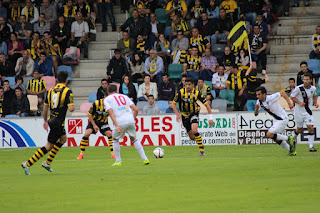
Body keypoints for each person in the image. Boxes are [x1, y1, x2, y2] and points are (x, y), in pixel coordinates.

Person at [21, 71, 74, 175]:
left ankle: (48, 162)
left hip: (51, 120)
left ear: (57, 80)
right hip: (58, 122)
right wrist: (71, 106)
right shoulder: (67, 91)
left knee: (63, 139)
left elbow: (45, 107)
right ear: (66, 80)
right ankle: (27, 164)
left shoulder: (51, 91)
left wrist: (45, 120)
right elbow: (71, 109)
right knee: (49, 146)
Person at [104, 84, 150, 166]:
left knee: (114, 139)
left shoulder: (107, 99)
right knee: (134, 138)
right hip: (130, 119)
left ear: (108, 91)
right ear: (117, 90)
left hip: (120, 120)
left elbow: (110, 112)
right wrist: (133, 119)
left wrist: (116, 125)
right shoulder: (124, 96)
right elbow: (136, 109)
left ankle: (118, 161)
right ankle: (145, 158)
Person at [172, 77, 213, 156]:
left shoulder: (197, 93)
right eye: (186, 84)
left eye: (189, 85)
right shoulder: (181, 92)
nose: (187, 86)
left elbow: (207, 105)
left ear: (193, 85)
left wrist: (210, 118)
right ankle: (199, 140)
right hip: (184, 115)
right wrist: (177, 114)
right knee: (191, 137)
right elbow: (173, 103)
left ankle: (201, 150)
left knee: (194, 130)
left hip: (193, 113)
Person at [254, 86, 295, 155]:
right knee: (275, 138)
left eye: (259, 94)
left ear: (264, 94)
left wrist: (289, 103)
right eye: (256, 94)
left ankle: (288, 138)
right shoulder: (259, 102)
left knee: (269, 134)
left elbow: (282, 93)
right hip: (278, 119)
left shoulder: (270, 98)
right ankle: (291, 150)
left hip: (283, 118)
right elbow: (256, 114)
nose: (257, 96)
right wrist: (257, 109)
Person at [77, 90, 115, 160]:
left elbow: (113, 115)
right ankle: (81, 154)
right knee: (87, 134)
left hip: (103, 122)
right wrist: (94, 125)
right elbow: (89, 114)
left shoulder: (111, 105)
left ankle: (113, 154)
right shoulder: (97, 103)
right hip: (94, 121)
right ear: (104, 97)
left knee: (109, 134)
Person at [290, 72, 319, 152]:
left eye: (307, 79)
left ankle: (311, 146)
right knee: (299, 129)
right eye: (304, 79)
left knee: (310, 127)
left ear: (310, 80)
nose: (305, 81)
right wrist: (299, 103)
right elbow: (292, 97)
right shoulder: (298, 88)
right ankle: (293, 139)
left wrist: (315, 102)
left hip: (307, 112)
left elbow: (314, 95)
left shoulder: (313, 88)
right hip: (298, 112)